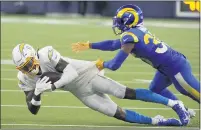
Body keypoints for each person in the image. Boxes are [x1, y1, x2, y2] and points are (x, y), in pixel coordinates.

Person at [12, 43, 189, 126]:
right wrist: (36, 93)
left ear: (34, 56)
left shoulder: (45, 54)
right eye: (23, 67)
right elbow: (32, 109)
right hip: (80, 92)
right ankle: (157, 121)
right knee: (117, 114)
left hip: (86, 74)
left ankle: (174, 103)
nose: (28, 69)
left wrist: (50, 87)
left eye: (28, 63)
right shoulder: (24, 78)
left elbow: (71, 73)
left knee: (124, 92)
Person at [72, 4, 200, 107]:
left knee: (194, 93)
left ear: (128, 21)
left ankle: (183, 108)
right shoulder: (136, 32)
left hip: (175, 67)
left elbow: (115, 65)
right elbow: (112, 44)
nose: (117, 23)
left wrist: (102, 64)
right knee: (156, 89)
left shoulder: (130, 37)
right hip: (166, 66)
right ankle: (183, 109)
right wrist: (90, 45)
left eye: (120, 20)